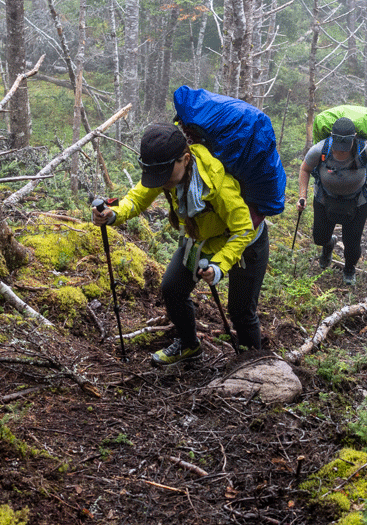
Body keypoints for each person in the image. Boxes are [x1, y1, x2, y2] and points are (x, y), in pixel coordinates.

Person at [93, 123, 268, 365]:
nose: (161, 182)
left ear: (185, 159)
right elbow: (137, 198)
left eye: (165, 175)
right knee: (173, 288)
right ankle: (189, 346)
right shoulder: (163, 169)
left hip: (246, 242)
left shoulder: (217, 184)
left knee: (241, 311)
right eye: (156, 176)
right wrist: (114, 214)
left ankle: (254, 365)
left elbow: (243, 228)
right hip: (201, 238)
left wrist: (218, 266)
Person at [297, 116, 367, 285]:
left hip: (357, 201)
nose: (341, 151)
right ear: (332, 136)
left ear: (355, 137)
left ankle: (349, 268)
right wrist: (302, 196)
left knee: (352, 244)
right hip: (324, 198)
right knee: (319, 238)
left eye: (345, 146)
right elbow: (304, 169)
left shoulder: (364, 150)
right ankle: (329, 245)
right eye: (338, 146)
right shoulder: (321, 149)